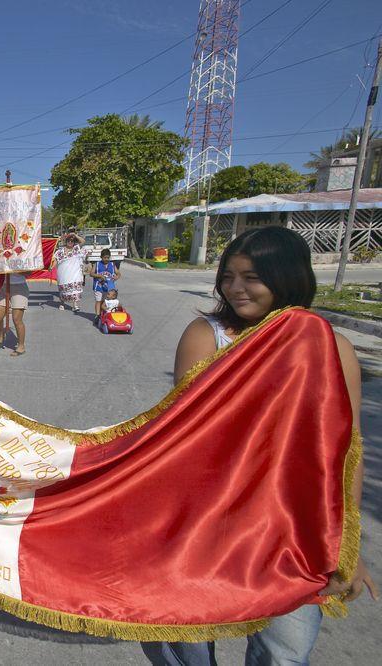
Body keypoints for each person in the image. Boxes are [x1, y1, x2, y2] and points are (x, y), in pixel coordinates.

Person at [143, 226, 378, 666]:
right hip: (207, 525)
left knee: (284, 653)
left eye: (251, 277)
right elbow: (181, 437)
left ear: (286, 277)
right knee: (188, 642)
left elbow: (347, 449)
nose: (235, 288)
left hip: (295, 531)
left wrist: (346, 542)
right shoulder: (207, 336)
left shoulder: (333, 347)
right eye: (228, 276)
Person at [0, 272, 29, 356]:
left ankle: (21, 346)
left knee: (16, 319)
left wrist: (14, 269)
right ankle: (1, 336)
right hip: (4, 287)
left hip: (19, 288)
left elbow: (29, 272)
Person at [50, 232, 87, 312]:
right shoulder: (59, 252)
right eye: (68, 240)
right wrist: (51, 267)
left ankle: (75, 305)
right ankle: (62, 303)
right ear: (66, 241)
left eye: (72, 241)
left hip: (75, 274)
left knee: (75, 290)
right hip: (63, 274)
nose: (70, 242)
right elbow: (56, 261)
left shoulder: (76, 248)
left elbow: (83, 241)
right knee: (63, 290)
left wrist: (75, 235)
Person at [88, 248, 120, 322]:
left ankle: (104, 314)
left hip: (108, 287)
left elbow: (118, 273)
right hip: (98, 286)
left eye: (108, 258)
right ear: (101, 257)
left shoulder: (112, 264)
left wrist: (116, 277)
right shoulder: (97, 264)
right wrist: (99, 276)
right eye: (104, 257)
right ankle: (97, 315)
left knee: (105, 301)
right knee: (98, 301)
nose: (106, 259)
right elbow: (91, 273)